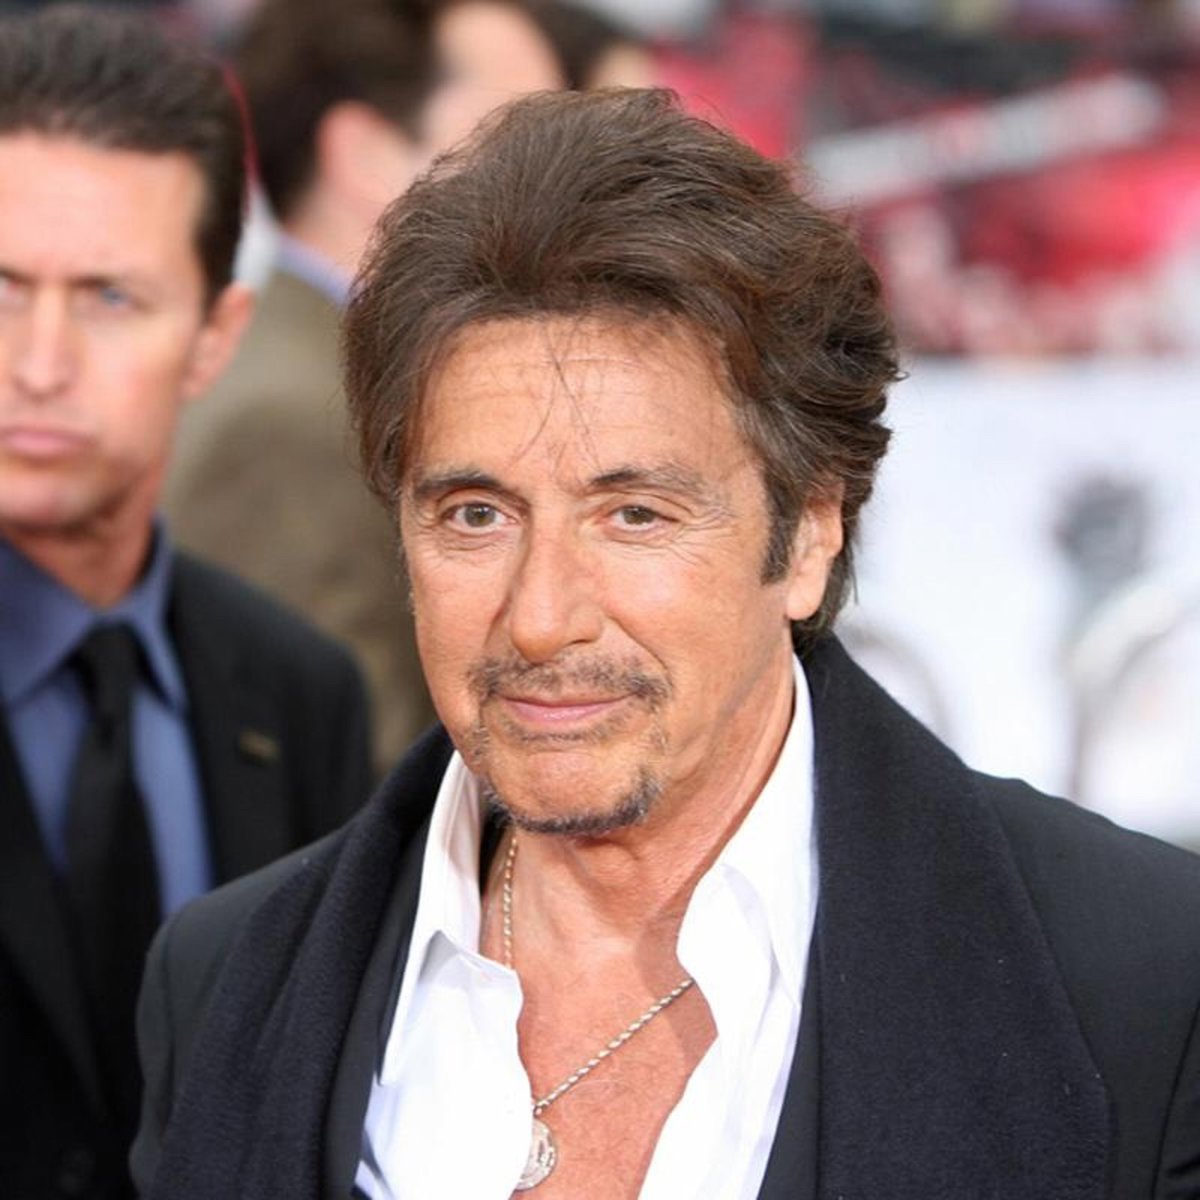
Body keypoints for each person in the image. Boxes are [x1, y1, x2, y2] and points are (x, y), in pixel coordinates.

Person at [133, 89, 1200, 1200]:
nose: (541, 616)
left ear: (809, 535)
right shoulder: (222, 985)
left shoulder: (1138, 985)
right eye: (476, 515)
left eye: (634, 514)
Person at [0, 8, 372, 1199]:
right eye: (2, 288)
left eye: (109, 298)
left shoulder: (300, 695)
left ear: (215, 338)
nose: (39, 363)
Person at [165, 0, 564, 776]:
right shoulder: (298, 417)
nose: (570, 178)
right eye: (520, 138)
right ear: (366, 154)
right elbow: (341, 779)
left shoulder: (332, 379)